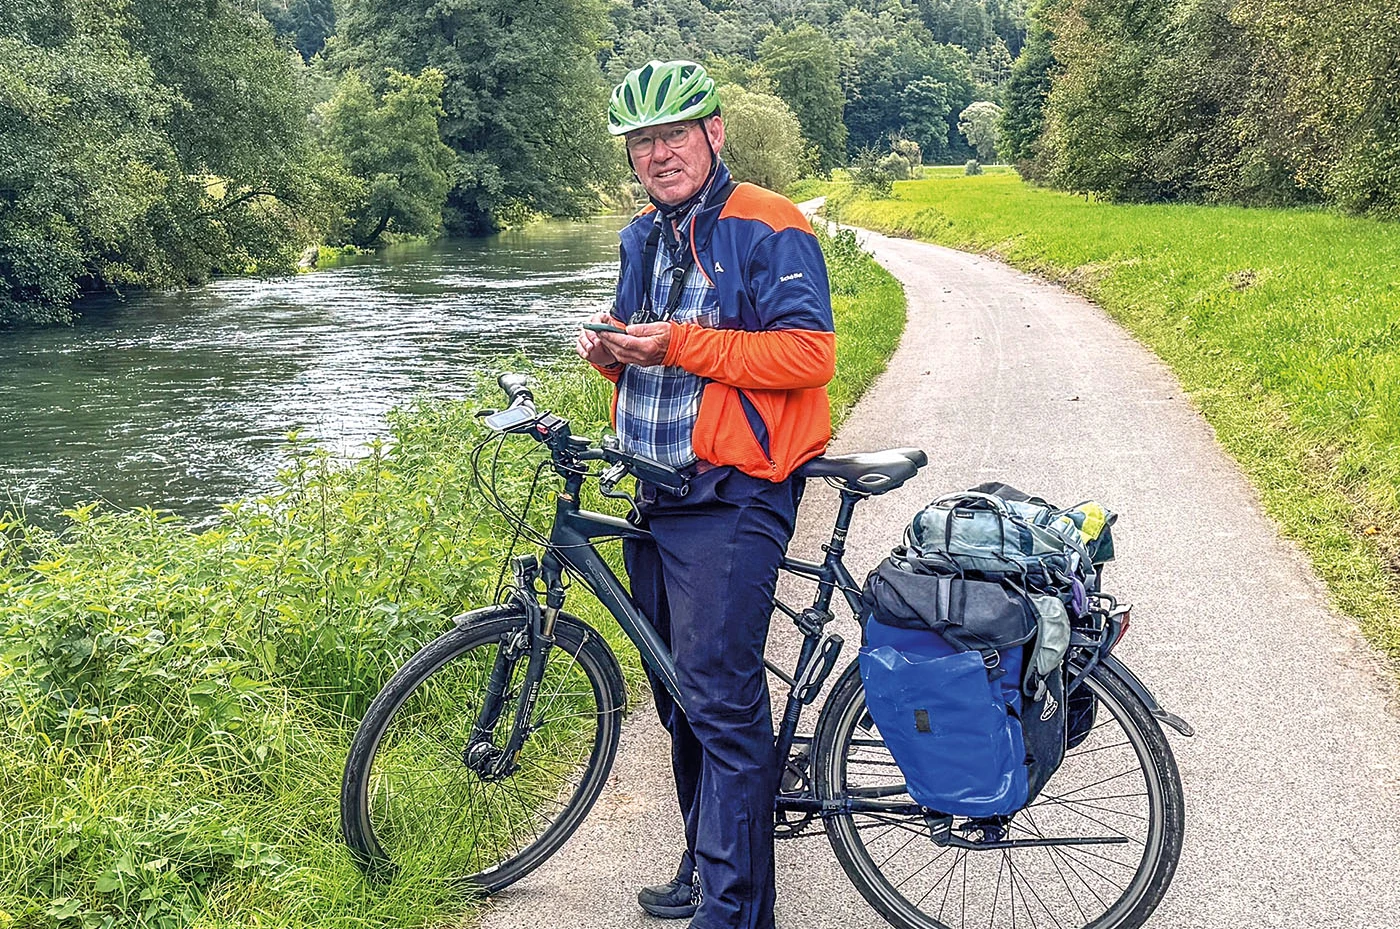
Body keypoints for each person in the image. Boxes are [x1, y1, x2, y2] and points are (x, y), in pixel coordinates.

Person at [574, 60, 836, 929]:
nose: (657, 153)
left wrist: (681, 346)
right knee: (677, 692)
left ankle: (734, 912)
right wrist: (612, 351)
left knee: (722, 704)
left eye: (672, 134)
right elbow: (642, 336)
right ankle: (704, 854)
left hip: (735, 491)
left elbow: (808, 356)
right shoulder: (639, 235)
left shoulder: (771, 225)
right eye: (642, 141)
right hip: (656, 488)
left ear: (713, 134)